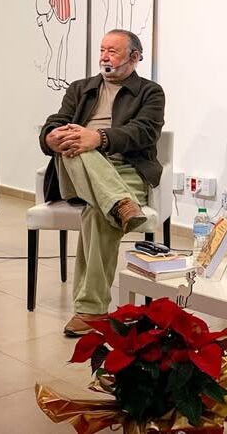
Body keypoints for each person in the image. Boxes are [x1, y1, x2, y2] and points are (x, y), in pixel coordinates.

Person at [39, 29, 165, 337]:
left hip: (127, 170)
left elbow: (145, 132)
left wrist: (99, 137)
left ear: (135, 57)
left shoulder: (150, 92)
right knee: (72, 143)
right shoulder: (81, 88)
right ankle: (120, 203)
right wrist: (51, 136)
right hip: (76, 169)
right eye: (102, 50)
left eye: (113, 51)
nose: (104, 56)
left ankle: (90, 311)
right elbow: (57, 120)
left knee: (97, 213)